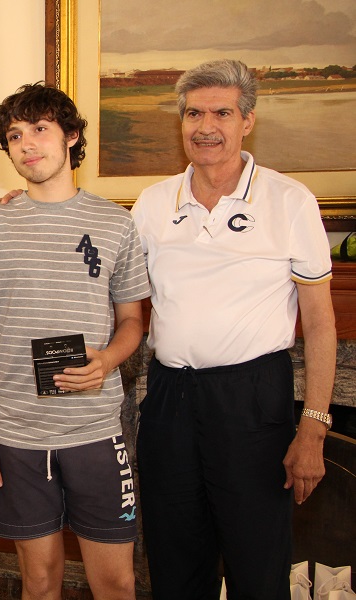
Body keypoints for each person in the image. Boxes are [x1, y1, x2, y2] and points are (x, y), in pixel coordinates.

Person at [131, 59, 336, 599]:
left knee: (257, 564)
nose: (206, 126)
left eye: (221, 113)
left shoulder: (290, 200)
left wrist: (314, 426)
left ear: (247, 121)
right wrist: (28, 205)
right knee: (174, 562)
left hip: (252, 399)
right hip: (169, 398)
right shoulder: (153, 203)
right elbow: (107, 274)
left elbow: (319, 324)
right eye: (194, 114)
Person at [0, 82, 151, 600]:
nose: (27, 144)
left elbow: (133, 320)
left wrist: (107, 360)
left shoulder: (115, 223)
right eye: (14, 135)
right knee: (39, 582)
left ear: (70, 136)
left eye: (40, 129)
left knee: (116, 583)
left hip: (95, 431)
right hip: (15, 436)